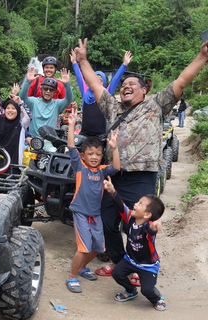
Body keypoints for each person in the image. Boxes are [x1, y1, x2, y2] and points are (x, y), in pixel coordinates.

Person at [73, 38, 208, 279]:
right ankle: (120, 262)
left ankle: (138, 266)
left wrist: (202, 57)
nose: (126, 86)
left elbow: (182, 80)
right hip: (113, 177)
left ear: (144, 89)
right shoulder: (113, 108)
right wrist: (82, 60)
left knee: (138, 227)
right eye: (124, 83)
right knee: (106, 221)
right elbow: (94, 85)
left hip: (142, 178)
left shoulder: (156, 105)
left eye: (132, 84)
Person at [65, 103, 120, 293]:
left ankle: (81, 268)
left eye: (98, 154)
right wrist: (72, 125)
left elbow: (117, 167)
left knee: (98, 247)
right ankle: (72, 276)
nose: (94, 157)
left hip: (95, 214)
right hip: (80, 212)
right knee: (84, 247)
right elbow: (71, 146)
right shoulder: (80, 167)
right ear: (83, 155)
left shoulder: (103, 170)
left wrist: (114, 148)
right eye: (90, 154)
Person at [103, 176, 166, 311]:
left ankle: (157, 298)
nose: (136, 204)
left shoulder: (147, 227)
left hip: (148, 265)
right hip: (131, 260)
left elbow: (150, 232)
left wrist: (154, 228)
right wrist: (112, 192)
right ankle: (131, 290)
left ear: (147, 215)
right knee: (117, 274)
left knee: (147, 290)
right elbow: (121, 206)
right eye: (138, 202)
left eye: (140, 204)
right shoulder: (131, 218)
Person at [70, 50, 132, 137]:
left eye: (101, 80)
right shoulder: (85, 92)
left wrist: (124, 64)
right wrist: (74, 62)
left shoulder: (106, 93)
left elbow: (115, 79)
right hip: (84, 133)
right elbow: (80, 77)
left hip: (100, 134)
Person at [19, 68, 73, 138]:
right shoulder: (33, 102)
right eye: (45, 89)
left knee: (52, 149)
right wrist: (27, 81)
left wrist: (67, 84)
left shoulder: (57, 104)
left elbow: (69, 99)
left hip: (51, 140)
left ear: (54, 92)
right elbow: (22, 97)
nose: (48, 91)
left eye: (51, 90)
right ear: (41, 90)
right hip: (34, 139)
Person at [0, 97, 31, 165]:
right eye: (8, 108)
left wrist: (20, 102)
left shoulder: (21, 124)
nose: (10, 110)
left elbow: (29, 116)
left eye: (13, 108)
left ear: (18, 111)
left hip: (15, 164)